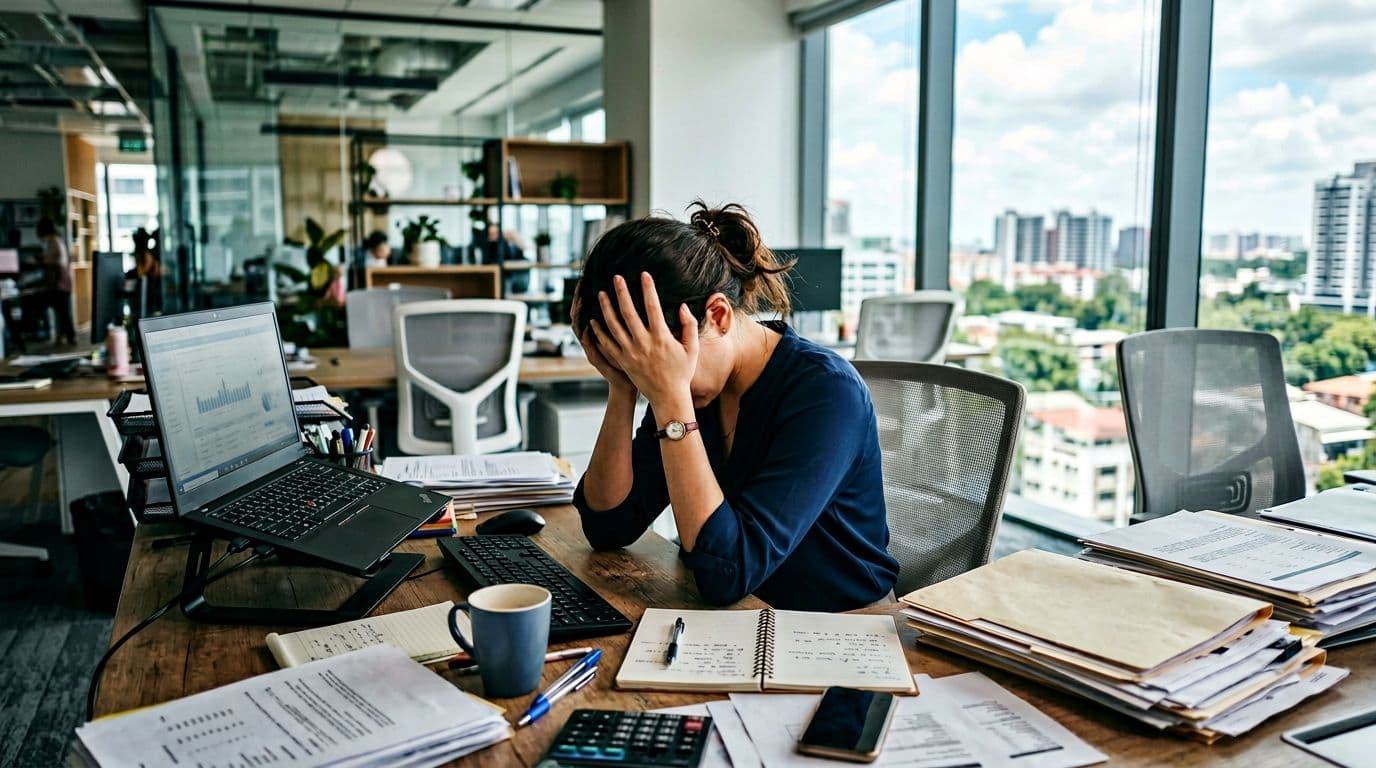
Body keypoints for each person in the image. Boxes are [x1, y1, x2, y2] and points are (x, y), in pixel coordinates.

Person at [571, 201, 898, 612]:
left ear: (719, 316)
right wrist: (622, 391)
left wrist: (672, 400)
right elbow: (609, 526)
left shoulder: (826, 393)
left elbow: (726, 572)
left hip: (842, 626)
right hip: (737, 614)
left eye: (650, 370)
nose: (651, 383)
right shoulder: (688, 385)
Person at [37, 217, 75, 346]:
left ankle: (67, 336)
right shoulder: (58, 240)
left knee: (62, 311)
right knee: (62, 311)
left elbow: (55, 260)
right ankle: (64, 336)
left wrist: (40, 261)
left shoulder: (53, 241)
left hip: (59, 281)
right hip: (63, 280)